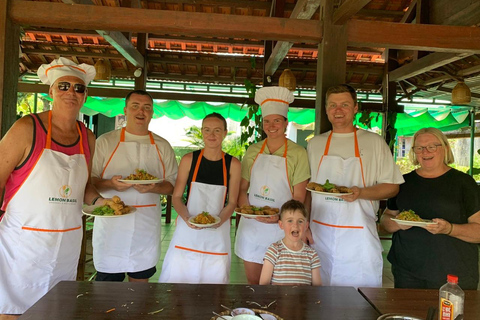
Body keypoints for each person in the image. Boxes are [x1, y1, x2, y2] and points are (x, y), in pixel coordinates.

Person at [0, 57, 103, 318]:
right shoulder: (26, 129)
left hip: (66, 243)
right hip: (22, 244)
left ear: (85, 96)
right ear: (51, 91)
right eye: (63, 86)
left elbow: (85, 186)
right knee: (13, 310)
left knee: (57, 309)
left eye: (79, 88)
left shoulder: (87, 137)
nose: (71, 92)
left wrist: (102, 202)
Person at [307, 84, 404, 288]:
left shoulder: (374, 142)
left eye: (344, 104)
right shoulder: (315, 144)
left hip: (358, 235)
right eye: (332, 105)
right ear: (326, 110)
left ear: (355, 108)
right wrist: (305, 225)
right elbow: (308, 191)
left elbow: (392, 186)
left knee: (360, 298)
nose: (338, 110)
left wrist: (361, 193)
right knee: (318, 297)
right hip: (320, 234)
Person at [91, 89, 178, 283]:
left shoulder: (162, 146)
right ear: (125, 110)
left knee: (139, 289)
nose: (141, 111)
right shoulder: (105, 142)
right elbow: (90, 179)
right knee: (107, 291)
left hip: (145, 226)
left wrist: (154, 188)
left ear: (152, 112)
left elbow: (172, 185)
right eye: (135, 106)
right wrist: (110, 184)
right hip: (111, 226)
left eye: (147, 107)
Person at [380, 127, 480, 290]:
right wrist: (397, 224)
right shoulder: (403, 182)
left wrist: (449, 229)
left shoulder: (464, 183)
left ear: (445, 148)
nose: (425, 152)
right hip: (407, 271)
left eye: (432, 146)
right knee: (408, 314)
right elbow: (386, 219)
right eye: (419, 148)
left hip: (453, 273)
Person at [235, 86, 311, 284]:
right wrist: (249, 211)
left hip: (282, 229)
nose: (271, 125)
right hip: (252, 227)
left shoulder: (298, 153)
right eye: (267, 121)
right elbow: (242, 189)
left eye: (277, 120)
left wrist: (280, 217)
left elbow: (299, 198)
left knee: (281, 284)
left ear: (286, 123)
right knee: (254, 284)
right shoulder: (252, 150)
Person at [160, 113, 241, 284]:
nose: (211, 135)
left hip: (218, 232)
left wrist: (219, 220)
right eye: (207, 130)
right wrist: (187, 218)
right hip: (187, 229)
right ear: (202, 132)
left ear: (225, 133)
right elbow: (176, 197)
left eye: (217, 130)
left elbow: (232, 201)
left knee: (215, 282)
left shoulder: (233, 164)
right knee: (178, 279)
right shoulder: (189, 160)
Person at [259, 200, 322, 286]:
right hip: (278, 299)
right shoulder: (274, 250)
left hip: (304, 299)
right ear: (281, 225)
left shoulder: (312, 254)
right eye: (290, 221)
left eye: (300, 221)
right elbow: (263, 285)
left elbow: (317, 288)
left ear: (306, 226)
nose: (295, 225)